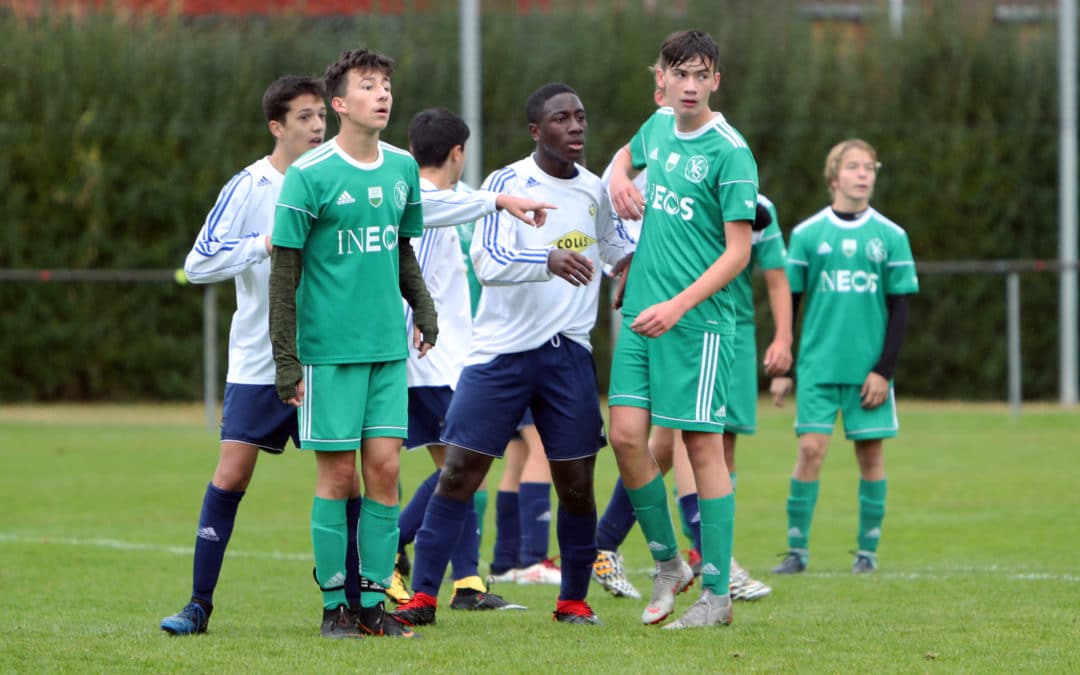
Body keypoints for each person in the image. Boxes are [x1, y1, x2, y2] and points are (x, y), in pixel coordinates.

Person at [391, 82, 635, 628]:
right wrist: (546, 258)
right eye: (560, 119)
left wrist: (636, 266)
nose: (575, 127)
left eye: (580, 117)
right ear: (535, 131)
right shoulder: (507, 183)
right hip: (500, 357)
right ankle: (424, 598)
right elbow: (489, 259)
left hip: (568, 357)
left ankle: (573, 601)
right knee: (458, 473)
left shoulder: (596, 192)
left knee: (575, 485)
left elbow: (618, 249)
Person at [268, 48, 434, 640]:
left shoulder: (403, 168)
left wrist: (424, 306)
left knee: (386, 471)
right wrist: (286, 359)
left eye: (386, 84)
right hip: (327, 353)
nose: (383, 94)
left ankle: (371, 605)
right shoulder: (308, 177)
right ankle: (334, 606)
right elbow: (283, 273)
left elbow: (401, 249)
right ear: (340, 104)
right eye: (369, 86)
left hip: (386, 351)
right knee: (338, 479)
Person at [160, 75, 328, 636]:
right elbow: (200, 261)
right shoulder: (251, 186)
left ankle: (352, 597)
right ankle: (198, 604)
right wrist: (263, 243)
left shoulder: (338, 179)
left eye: (321, 115)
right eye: (304, 117)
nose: (317, 126)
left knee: (349, 476)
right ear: (276, 127)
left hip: (329, 357)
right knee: (232, 474)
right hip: (260, 360)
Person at [607, 29, 758, 629]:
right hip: (642, 312)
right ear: (661, 81)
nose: (690, 85)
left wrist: (678, 305)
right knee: (623, 436)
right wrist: (619, 174)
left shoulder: (730, 151)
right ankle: (669, 563)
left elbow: (738, 253)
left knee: (701, 447)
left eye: (701, 75)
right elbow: (629, 152)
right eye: (680, 74)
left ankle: (717, 595)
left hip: (698, 323)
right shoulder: (658, 128)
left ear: (715, 81)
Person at [392, 107, 553, 611]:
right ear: (457, 152)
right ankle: (383, 551)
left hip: (448, 357)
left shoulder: (454, 200)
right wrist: (416, 321)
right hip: (434, 360)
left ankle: (465, 582)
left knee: (460, 472)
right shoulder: (428, 202)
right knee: (460, 469)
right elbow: (404, 264)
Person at [592, 194, 790, 604]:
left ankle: (604, 544)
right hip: (685, 327)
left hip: (727, 330)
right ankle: (710, 559)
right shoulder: (671, 187)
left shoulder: (752, 203)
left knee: (669, 447)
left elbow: (774, 271)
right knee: (690, 438)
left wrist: (784, 339)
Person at [771, 138, 918, 576]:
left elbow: (901, 309)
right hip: (818, 367)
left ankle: (867, 554)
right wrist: (785, 366)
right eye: (854, 166)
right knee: (810, 451)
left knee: (871, 456)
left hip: (867, 372)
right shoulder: (807, 234)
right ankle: (796, 552)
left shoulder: (891, 237)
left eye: (870, 167)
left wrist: (883, 371)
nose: (863, 174)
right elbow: (790, 301)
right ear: (834, 177)